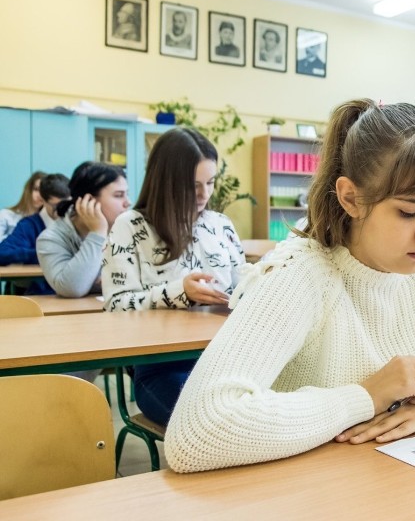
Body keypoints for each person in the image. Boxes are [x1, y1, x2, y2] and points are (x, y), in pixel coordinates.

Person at [165, 99, 415, 473]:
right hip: (309, 491)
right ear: (351, 198)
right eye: (409, 212)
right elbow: (196, 432)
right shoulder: (302, 273)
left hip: (403, 483)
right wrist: (365, 396)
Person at [102, 128, 245, 426]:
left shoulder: (220, 224)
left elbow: (241, 286)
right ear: (166, 182)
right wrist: (179, 291)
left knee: (265, 417)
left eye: (210, 183)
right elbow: (115, 305)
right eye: (193, 186)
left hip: (226, 361)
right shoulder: (129, 226)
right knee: (218, 425)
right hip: (162, 368)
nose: (205, 195)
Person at [36, 162, 130, 298]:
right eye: (118, 195)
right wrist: (98, 233)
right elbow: (73, 288)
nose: (128, 202)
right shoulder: (50, 239)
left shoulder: (127, 229)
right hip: (75, 317)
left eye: (127, 194)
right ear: (90, 200)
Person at [0, 173, 70, 294]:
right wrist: (43, 254)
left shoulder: (75, 221)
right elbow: (2, 253)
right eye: (56, 206)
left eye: (67, 204)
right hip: (40, 294)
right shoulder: (29, 225)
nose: (63, 211)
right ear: (43, 200)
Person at [0, 171, 45, 244]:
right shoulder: (5, 215)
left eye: (43, 191)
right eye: (36, 189)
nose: (39, 195)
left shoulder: (44, 222)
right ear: (28, 190)